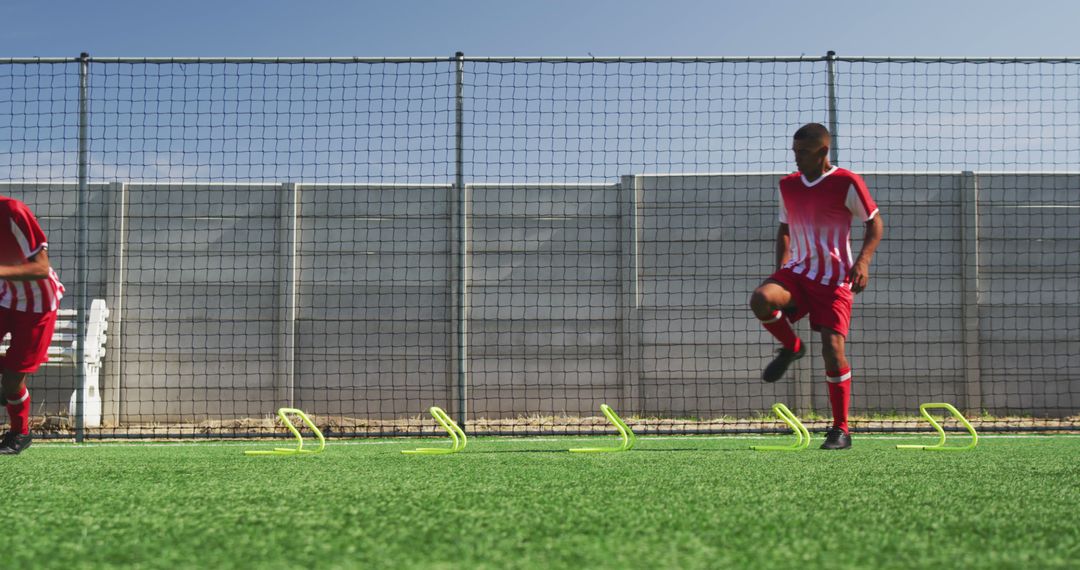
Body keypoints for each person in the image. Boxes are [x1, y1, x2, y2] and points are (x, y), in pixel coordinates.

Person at [749, 123, 883, 450]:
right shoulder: (788, 186)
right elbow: (784, 229)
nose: (797, 159)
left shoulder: (846, 182)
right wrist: (782, 269)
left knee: (832, 350)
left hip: (835, 280)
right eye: (794, 152)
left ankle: (841, 429)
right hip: (798, 273)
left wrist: (862, 262)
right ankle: (792, 347)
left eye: (804, 153)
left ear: (823, 152)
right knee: (762, 299)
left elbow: (874, 223)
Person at [0, 194, 64, 455]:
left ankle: (20, 432)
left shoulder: (13, 211)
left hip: (38, 305)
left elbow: (40, 268)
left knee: (13, 380)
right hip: (4, 296)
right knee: (10, 380)